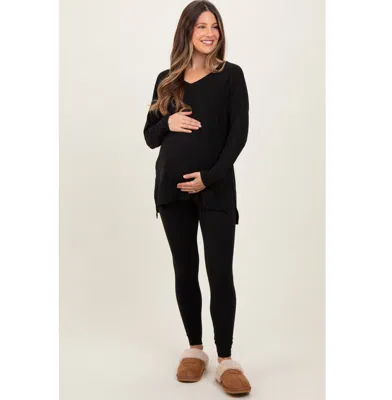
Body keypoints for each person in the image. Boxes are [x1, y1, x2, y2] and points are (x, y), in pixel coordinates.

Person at [143, 1, 251, 395]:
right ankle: (194, 350)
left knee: (220, 272)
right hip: (171, 192)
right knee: (184, 271)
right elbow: (149, 136)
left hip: (216, 189)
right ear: (187, 31)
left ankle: (226, 360)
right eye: (201, 26)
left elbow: (238, 135)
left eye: (215, 26)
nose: (209, 33)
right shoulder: (166, 80)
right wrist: (168, 121)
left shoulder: (231, 76)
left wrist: (208, 177)